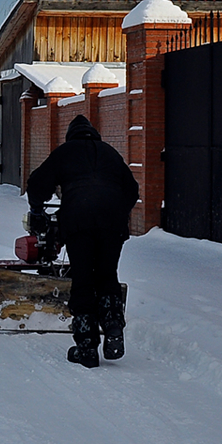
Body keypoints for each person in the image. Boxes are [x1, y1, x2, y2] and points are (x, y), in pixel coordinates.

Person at [25, 114, 139, 368]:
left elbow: (37, 183)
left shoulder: (65, 152)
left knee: (83, 277)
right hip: (113, 223)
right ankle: (113, 330)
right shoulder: (110, 153)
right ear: (94, 135)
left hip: (78, 221)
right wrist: (118, 212)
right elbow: (132, 189)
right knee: (108, 275)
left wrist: (37, 210)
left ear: (70, 136)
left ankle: (86, 347)